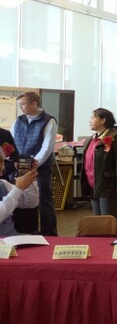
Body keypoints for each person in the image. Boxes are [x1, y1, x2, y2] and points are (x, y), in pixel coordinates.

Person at [11, 91, 58, 236]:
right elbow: (11, 141)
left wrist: (34, 164)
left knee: (44, 198)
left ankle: (49, 232)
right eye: (19, 105)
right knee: (20, 197)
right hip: (19, 166)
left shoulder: (49, 121)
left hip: (40, 168)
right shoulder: (18, 121)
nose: (21, 108)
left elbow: (47, 147)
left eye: (23, 104)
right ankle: (25, 230)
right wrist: (15, 159)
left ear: (34, 103)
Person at [81, 108, 117, 222]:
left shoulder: (115, 138)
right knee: (98, 221)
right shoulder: (91, 139)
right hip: (94, 185)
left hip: (108, 186)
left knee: (108, 219)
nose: (90, 121)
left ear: (103, 120)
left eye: (93, 118)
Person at [0, 160, 39, 233]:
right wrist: (18, 188)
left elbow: (30, 203)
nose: (2, 166)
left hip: (10, 237)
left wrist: (28, 177)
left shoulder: (3, 184)